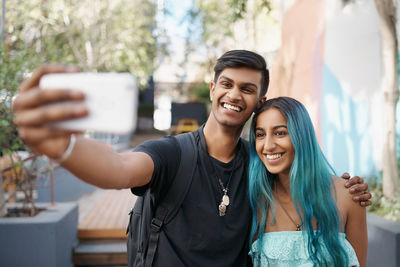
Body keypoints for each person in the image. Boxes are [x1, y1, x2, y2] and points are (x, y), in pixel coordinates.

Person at [12, 50, 371, 266]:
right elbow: (117, 168)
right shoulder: (171, 153)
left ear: (260, 101)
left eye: (247, 88)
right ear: (213, 88)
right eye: (227, 83)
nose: (234, 94)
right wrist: (64, 147)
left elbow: (302, 182)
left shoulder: (260, 165)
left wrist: (348, 188)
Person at [248, 97, 367, 266]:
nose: (267, 146)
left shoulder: (349, 195)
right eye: (260, 134)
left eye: (280, 132)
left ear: (301, 135)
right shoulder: (256, 200)